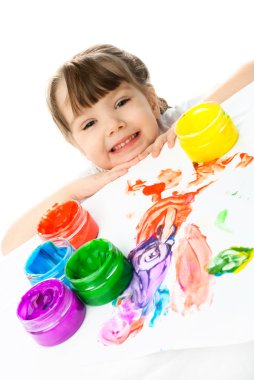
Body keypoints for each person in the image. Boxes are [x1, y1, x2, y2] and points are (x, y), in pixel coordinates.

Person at [1, 44, 253, 255]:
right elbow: (9, 246)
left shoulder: (172, 124)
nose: (113, 125)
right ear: (78, 146)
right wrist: (73, 191)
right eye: (89, 123)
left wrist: (185, 123)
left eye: (121, 102)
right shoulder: (95, 181)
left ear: (151, 101)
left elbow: (249, 71)